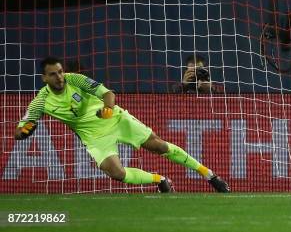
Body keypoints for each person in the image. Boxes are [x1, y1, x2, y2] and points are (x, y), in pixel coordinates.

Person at [15, 57, 229, 193]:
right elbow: (23, 126)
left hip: (114, 119)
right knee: (116, 173)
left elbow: (107, 93)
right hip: (94, 136)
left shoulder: (75, 79)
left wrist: (108, 108)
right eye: (53, 74)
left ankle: (209, 175)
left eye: (60, 71)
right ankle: (160, 179)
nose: (60, 77)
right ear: (44, 78)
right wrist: (23, 132)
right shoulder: (40, 102)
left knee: (159, 146)